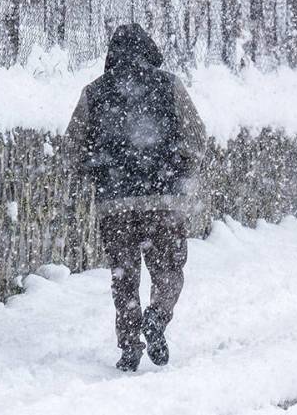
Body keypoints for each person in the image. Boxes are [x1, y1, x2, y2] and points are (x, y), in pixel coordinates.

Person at [66, 23, 206, 372]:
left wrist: (98, 168)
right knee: (169, 270)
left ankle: (129, 346)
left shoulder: (94, 93)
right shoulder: (169, 85)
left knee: (124, 276)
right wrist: (181, 169)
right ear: (150, 50)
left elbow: (72, 148)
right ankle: (157, 317)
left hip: (115, 203)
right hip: (165, 199)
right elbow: (196, 136)